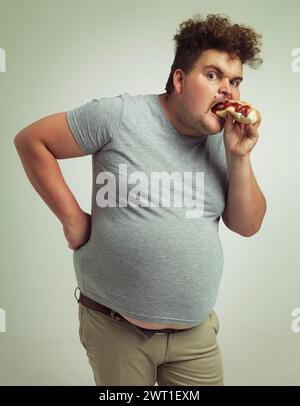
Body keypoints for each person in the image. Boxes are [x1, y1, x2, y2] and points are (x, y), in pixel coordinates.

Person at [14, 14, 267, 386]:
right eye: (213, 75)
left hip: (194, 335)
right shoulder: (118, 116)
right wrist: (72, 218)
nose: (227, 91)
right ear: (179, 79)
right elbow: (32, 140)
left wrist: (240, 156)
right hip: (118, 330)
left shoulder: (225, 138)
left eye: (235, 81)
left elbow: (247, 225)